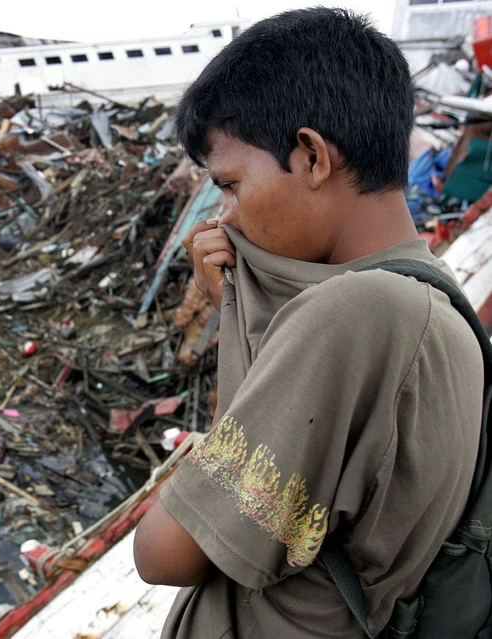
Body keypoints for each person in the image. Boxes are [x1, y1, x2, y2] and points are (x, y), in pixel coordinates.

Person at [132, 7, 483, 638]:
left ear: (312, 156)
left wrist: (241, 314)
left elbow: (162, 554)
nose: (227, 218)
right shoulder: (433, 299)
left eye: (232, 184)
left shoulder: (353, 316)